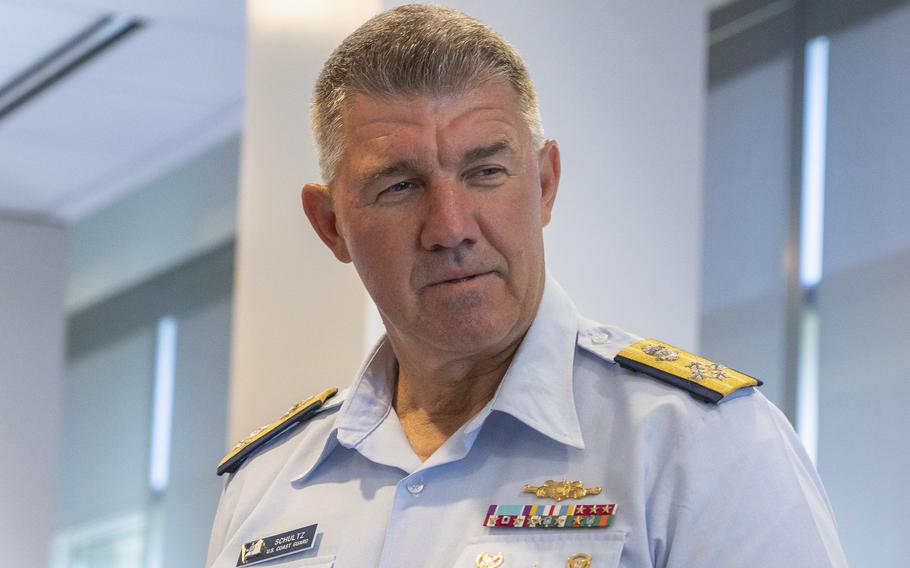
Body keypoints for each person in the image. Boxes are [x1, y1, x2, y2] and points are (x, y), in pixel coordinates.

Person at [206, 5, 847, 567]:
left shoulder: (697, 446)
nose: (451, 227)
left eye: (485, 171)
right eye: (400, 186)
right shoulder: (267, 485)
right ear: (331, 225)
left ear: (544, 184)